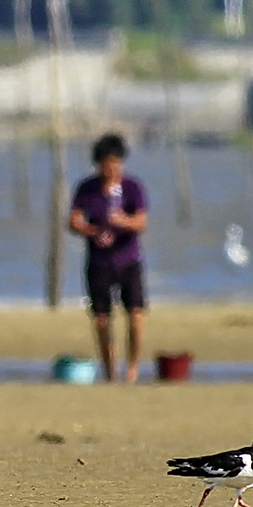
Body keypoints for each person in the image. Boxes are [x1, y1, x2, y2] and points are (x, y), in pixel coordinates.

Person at [68, 133, 149, 382]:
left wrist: (123, 221)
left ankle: (133, 368)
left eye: (115, 162)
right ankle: (110, 370)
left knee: (135, 315)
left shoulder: (132, 188)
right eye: (106, 163)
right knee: (102, 319)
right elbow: (73, 220)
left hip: (128, 259)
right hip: (99, 263)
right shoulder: (87, 188)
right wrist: (93, 232)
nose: (111, 168)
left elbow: (142, 221)